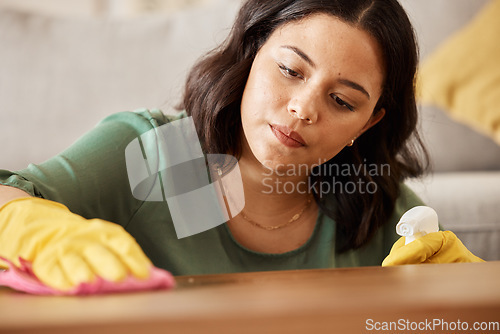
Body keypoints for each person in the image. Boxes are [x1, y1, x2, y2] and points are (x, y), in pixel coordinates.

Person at [0, 0, 483, 291]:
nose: (303, 109)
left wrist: (469, 293)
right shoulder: (157, 153)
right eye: (291, 71)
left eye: (340, 100)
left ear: (370, 121)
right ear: (251, 52)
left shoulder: (374, 202)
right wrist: (36, 229)